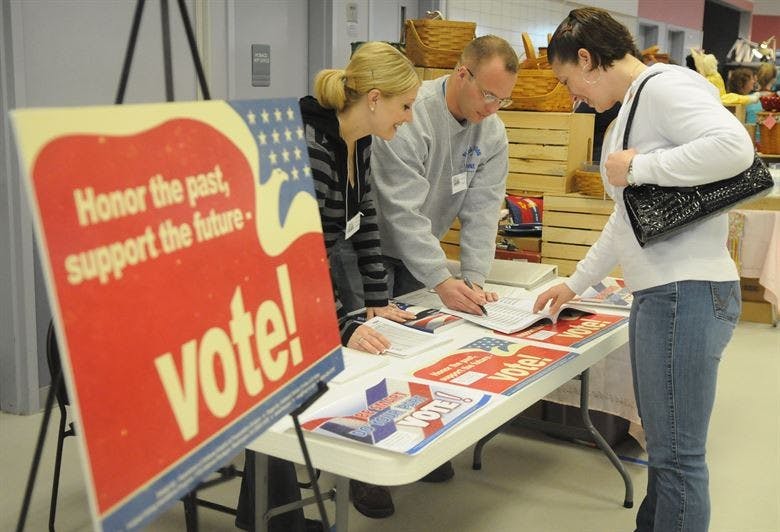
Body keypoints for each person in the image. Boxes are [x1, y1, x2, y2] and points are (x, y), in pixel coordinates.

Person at [535, 8, 752, 532]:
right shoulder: (635, 104)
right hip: (671, 293)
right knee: (666, 453)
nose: (574, 97)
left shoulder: (659, 88)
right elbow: (629, 219)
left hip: (685, 292)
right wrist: (574, 282)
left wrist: (638, 167)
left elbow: (736, 148)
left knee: (677, 459)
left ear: (587, 58)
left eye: (569, 81)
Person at [236, 41, 420, 529]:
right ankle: (274, 519)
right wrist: (342, 323)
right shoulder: (309, 145)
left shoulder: (358, 140)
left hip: (296, 277)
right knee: (281, 388)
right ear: (375, 98)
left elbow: (366, 220)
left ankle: (271, 515)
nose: (408, 118)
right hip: (262, 284)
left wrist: (378, 300)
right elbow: (303, 255)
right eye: (405, 106)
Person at [368, 33, 518, 516]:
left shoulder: (491, 132)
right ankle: (366, 474)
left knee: (423, 362)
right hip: (377, 254)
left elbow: (482, 209)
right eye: (487, 94)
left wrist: (473, 278)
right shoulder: (414, 115)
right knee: (377, 370)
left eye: (504, 98)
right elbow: (400, 211)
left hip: (422, 261)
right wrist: (441, 278)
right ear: (462, 74)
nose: (493, 107)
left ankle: (422, 448)